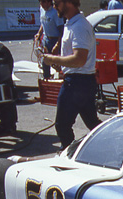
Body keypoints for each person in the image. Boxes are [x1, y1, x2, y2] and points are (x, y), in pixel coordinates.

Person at [41, 0, 101, 149]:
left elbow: (79, 59)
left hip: (76, 83)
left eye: (56, 3)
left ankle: (69, 155)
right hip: (81, 81)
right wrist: (60, 63)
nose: (54, 7)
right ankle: (110, 147)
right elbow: (75, 58)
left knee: (62, 125)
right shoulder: (71, 24)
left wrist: (52, 59)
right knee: (93, 124)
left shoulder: (79, 27)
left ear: (68, 2)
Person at [35, 0, 65, 80]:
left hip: (55, 39)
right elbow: (43, 21)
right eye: (41, 2)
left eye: (44, 2)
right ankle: (47, 79)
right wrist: (39, 33)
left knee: (58, 62)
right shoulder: (42, 9)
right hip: (46, 38)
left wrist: (58, 44)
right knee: (45, 61)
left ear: (49, 2)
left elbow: (61, 30)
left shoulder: (55, 12)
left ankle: (62, 80)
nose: (42, 4)